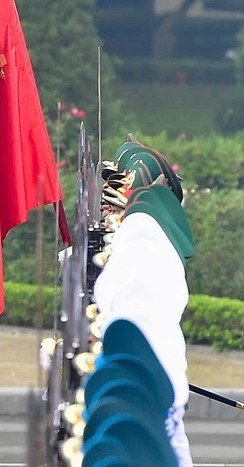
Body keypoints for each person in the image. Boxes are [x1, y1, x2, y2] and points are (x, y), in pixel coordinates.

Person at [93, 139, 194, 467]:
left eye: (114, 201)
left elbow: (128, 329)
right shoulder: (130, 242)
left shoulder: (146, 247)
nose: (105, 209)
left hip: (144, 404)